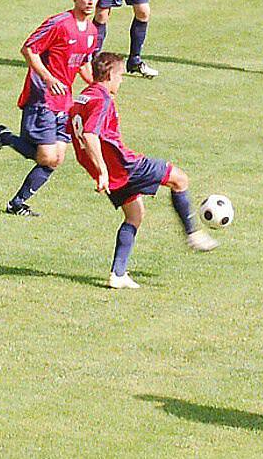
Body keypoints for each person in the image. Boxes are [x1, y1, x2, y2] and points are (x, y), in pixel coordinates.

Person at [68, 52, 218, 289]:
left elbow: (76, 136)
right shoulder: (102, 100)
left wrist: (99, 171)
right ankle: (193, 234)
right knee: (179, 179)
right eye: (120, 75)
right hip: (124, 166)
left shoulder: (81, 99)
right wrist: (104, 170)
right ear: (109, 74)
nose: (122, 80)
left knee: (134, 215)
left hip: (110, 172)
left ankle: (118, 274)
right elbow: (89, 134)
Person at [0, 0, 101, 216]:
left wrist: (100, 87)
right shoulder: (59, 23)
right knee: (46, 156)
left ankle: (17, 204)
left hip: (64, 102)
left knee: (56, 160)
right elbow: (28, 49)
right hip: (42, 96)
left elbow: (83, 65)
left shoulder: (92, 32)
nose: (90, 2)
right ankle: (4, 138)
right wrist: (47, 77)